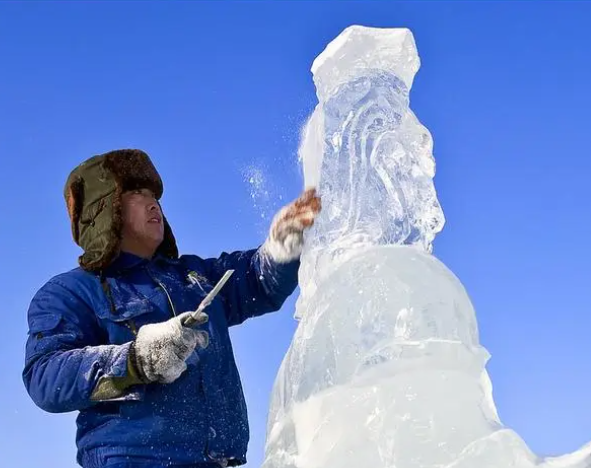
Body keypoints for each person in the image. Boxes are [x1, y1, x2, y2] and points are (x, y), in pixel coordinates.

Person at [22, 149, 322, 468]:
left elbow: (256, 282)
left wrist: (279, 249)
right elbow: (44, 375)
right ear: (104, 209)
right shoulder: (71, 291)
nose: (154, 203)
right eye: (137, 193)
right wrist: (138, 360)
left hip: (216, 462)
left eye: (154, 195)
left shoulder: (194, 277)